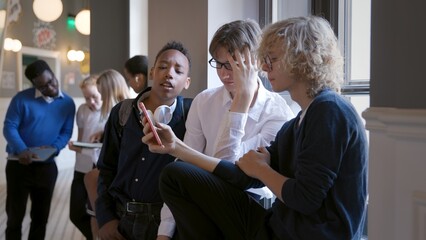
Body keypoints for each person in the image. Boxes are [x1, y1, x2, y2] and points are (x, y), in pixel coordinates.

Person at [142, 16, 368, 240]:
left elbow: (305, 199)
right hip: (277, 227)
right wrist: (176, 148)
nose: (265, 66)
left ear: (301, 59)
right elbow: (242, 175)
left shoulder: (329, 110)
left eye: (273, 59)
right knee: (175, 174)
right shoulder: (296, 123)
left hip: (308, 234)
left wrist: (261, 169)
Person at [157, 19, 295, 239]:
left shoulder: (278, 113)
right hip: (202, 198)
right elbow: (186, 164)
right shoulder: (205, 101)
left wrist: (241, 100)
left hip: (250, 206)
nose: (224, 74)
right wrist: (163, 233)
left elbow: (230, 171)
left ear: (255, 62)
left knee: (177, 174)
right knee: (175, 174)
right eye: (219, 64)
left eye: (233, 65)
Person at [96, 41, 192, 240]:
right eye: (163, 67)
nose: (169, 74)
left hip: (167, 224)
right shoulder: (122, 112)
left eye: (178, 71)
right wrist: (105, 217)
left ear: (187, 82)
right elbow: (106, 167)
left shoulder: (191, 115)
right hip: (122, 217)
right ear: (152, 72)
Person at [3, 59, 76, 239]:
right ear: (35, 85)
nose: (50, 88)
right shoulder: (21, 99)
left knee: (40, 218)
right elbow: (9, 127)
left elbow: (66, 132)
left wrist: (54, 148)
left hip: (47, 167)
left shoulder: (68, 103)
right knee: (14, 217)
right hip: (18, 165)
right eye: (43, 86)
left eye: (51, 81)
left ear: (53, 74)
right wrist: (22, 150)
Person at [76, 69, 131, 239]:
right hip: (105, 172)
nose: (98, 98)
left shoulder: (127, 112)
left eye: (100, 93)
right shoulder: (116, 114)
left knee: (104, 219)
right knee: (94, 215)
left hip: (115, 178)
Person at [67, 75, 104, 239]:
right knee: (75, 213)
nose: (91, 102)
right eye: (87, 98)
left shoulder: (110, 111)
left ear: (102, 93)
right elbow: (82, 138)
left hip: (99, 169)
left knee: (96, 213)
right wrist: (77, 147)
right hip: (80, 167)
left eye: (94, 97)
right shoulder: (82, 110)